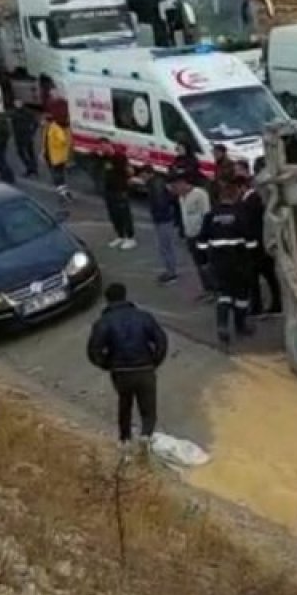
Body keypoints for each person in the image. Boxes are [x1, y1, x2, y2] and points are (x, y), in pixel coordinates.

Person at [85, 283, 169, 457]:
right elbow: (161, 340)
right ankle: (146, 435)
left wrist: (107, 364)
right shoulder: (143, 317)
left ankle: (125, 440)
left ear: (107, 300)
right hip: (145, 367)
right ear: (125, 296)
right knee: (148, 407)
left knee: (125, 404)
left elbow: (93, 351)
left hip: (121, 372)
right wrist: (155, 361)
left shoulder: (103, 323)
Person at [197, 180, 257, 347]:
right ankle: (240, 325)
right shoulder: (240, 213)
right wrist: (252, 258)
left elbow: (201, 242)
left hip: (218, 263)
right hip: (239, 262)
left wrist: (204, 261)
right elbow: (250, 241)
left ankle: (222, 326)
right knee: (241, 296)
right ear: (235, 195)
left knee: (224, 294)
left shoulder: (210, 215)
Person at [238, 166, 280, 317]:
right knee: (265, 276)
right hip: (258, 244)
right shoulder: (251, 200)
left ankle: (261, 306)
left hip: (257, 245)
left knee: (260, 276)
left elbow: (252, 224)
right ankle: (268, 305)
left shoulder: (252, 201)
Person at [172, 174, 215, 298]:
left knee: (207, 263)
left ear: (183, 183)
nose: (175, 189)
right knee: (199, 264)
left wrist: (205, 234)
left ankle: (215, 289)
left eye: (176, 186)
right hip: (190, 235)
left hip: (201, 235)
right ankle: (206, 288)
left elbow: (206, 214)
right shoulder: (181, 197)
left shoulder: (199, 194)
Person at [96, 140, 137, 249]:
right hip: (109, 190)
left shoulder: (119, 157)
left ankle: (130, 237)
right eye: (101, 147)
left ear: (109, 145)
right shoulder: (104, 158)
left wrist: (127, 182)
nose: (102, 149)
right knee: (114, 214)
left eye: (104, 146)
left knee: (124, 214)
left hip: (120, 190)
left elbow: (129, 171)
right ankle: (120, 235)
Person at [145, 166, 179, 284]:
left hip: (163, 219)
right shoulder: (158, 183)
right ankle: (170, 271)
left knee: (165, 247)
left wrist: (158, 216)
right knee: (166, 246)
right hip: (165, 218)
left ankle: (171, 273)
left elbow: (160, 202)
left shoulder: (155, 185)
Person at [42, 110, 74, 202]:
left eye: (43, 120)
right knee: (57, 175)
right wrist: (43, 152)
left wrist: (55, 145)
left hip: (57, 157)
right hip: (50, 156)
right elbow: (45, 142)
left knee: (57, 176)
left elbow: (63, 140)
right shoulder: (46, 128)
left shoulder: (55, 128)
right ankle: (63, 192)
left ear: (48, 121)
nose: (41, 122)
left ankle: (64, 193)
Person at [9, 99, 39, 177]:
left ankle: (33, 169)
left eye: (19, 103)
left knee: (30, 153)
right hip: (18, 136)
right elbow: (12, 124)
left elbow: (36, 123)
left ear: (22, 103)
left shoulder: (28, 112)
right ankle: (29, 167)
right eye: (16, 103)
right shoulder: (13, 113)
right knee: (21, 152)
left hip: (27, 135)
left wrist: (32, 133)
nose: (17, 104)